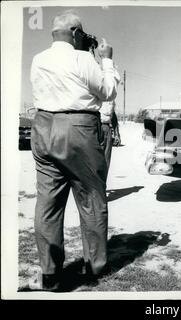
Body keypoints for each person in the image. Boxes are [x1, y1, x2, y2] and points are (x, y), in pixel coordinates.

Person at [30, 10, 119, 291]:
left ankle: (50, 273)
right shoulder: (82, 58)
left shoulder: (38, 59)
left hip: (43, 126)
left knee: (48, 204)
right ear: (76, 33)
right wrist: (106, 60)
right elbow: (107, 92)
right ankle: (94, 267)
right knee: (92, 197)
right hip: (79, 128)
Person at [100, 91, 121, 171]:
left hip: (106, 128)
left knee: (106, 159)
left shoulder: (110, 96)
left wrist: (117, 134)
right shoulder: (93, 91)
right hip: (94, 126)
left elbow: (113, 115)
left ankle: (103, 182)